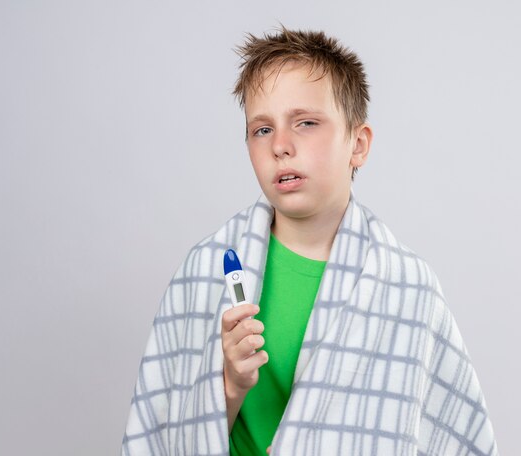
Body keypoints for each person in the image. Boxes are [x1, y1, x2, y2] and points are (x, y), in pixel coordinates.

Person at [121, 27, 498, 456]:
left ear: (357, 144)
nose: (281, 145)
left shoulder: (407, 286)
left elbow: (454, 437)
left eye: (306, 123)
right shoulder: (206, 270)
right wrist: (229, 384)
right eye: (262, 130)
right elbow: (163, 436)